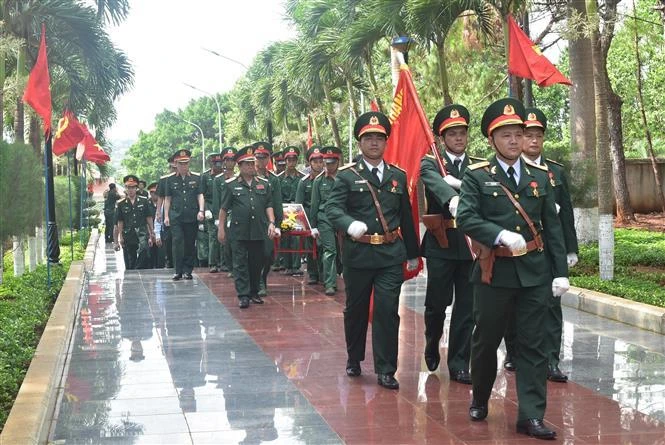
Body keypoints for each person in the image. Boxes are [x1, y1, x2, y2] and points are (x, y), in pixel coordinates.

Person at [456, 98, 569, 440]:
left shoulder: (540, 177)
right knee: (485, 340)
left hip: (534, 273)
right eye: (505, 135)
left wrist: (560, 271)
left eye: (518, 134)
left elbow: (554, 226)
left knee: (533, 345)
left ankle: (531, 415)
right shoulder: (477, 176)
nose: (514, 140)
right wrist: (499, 234)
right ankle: (479, 396)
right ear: (492, 140)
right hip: (495, 274)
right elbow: (466, 217)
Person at [326, 111, 420, 390]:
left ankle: (386, 369)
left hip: (391, 254)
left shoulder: (397, 176)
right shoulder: (345, 177)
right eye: (369, 138)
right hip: (358, 254)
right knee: (355, 310)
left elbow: (406, 215)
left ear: (386, 142)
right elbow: (332, 209)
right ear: (360, 142)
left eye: (380, 138)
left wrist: (413, 254)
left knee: (387, 310)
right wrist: (349, 223)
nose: (375, 143)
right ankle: (354, 357)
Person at [420, 104, 481, 384]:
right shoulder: (431, 162)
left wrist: (462, 186)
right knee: (436, 304)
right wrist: (451, 196)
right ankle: (432, 341)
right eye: (452, 134)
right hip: (441, 243)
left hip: (469, 243)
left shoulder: (478, 166)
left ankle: (459, 362)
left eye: (462, 133)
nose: (458, 138)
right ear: (442, 138)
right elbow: (432, 182)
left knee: (466, 307)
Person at [522, 107, 579, 382]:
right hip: (521, 249)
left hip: (550, 248)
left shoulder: (555, 171)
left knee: (552, 307)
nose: (533, 141)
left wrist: (570, 249)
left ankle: (551, 361)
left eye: (538, 136)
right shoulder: (507, 171)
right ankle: (516, 354)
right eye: (528, 135)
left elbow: (566, 212)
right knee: (518, 305)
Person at [218, 146, 278, 309]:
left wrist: (272, 222)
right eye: (247, 164)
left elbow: (269, 205)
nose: (252, 166)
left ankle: (254, 292)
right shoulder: (231, 185)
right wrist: (221, 229)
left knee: (257, 262)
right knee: (240, 263)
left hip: (259, 229)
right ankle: (243, 295)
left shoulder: (264, 184)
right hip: (239, 231)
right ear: (240, 166)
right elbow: (223, 209)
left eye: (253, 163)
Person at [163, 149, 205, 281]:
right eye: (181, 164)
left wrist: (201, 210)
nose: (183, 166)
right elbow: (167, 198)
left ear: (189, 163)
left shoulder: (197, 177)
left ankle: (188, 270)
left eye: (186, 163)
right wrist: (166, 216)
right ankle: (178, 270)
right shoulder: (169, 180)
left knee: (190, 243)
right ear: (176, 164)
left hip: (191, 215)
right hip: (176, 215)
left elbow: (200, 195)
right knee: (177, 242)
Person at [310, 146, 343, 295]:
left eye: (331, 163)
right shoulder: (318, 181)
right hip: (325, 219)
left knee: (346, 251)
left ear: (338, 162)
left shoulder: (345, 179)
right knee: (330, 250)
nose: (328, 166)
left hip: (343, 219)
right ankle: (330, 283)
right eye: (326, 163)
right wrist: (313, 226)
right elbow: (315, 205)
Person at [253, 142, 283, 298]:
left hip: (267, 223)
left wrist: (278, 224)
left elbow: (277, 203)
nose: (261, 161)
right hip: (250, 222)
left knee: (267, 254)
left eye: (264, 157)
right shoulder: (247, 176)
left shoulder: (273, 179)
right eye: (258, 157)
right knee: (252, 254)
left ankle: (262, 278)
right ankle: (256, 282)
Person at [296, 146, 325, 285]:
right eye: (315, 161)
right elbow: (299, 204)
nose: (318, 164)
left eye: (321, 161)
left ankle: (325, 274)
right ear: (310, 163)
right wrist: (303, 222)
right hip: (308, 217)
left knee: (324, 246)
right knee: (311, 247)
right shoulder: (304, 182)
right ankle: (313, 274)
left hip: (323, 217)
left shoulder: (328, 179)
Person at [115, 175, 155, 270]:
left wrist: (152, 232)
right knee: (130, 259)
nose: (130, 190)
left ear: (136, 188)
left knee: (144, 251)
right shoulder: (121, 203)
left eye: (133, 187)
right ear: (126, 188)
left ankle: (138, 269)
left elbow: (148, 218)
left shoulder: (144, 201)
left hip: (142, 233)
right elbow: (120, 221)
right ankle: (131, 273)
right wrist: (120, 236)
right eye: (128, 187)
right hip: (128, 233)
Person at [278, 146, 304, 275]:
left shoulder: (302, 177)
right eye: (289, 160)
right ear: (285, 161)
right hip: (285, 210)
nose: (291, 162)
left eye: (294, 160)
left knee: (297, 239)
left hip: (298, 211)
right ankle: (287, 265)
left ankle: (296, 266)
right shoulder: (280, 178)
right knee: (286, 238)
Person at [213, 147, 238, 275]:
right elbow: (217, 200)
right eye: (227, 160)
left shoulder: (239, 177)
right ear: (223, 161)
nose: (230, 162)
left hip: (236, 214)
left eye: (232, 159)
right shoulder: (218, 180)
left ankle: (237, 267)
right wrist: (218, 220)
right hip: (224, 214)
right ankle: (230, 267)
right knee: (226, 245)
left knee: (237, 244)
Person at [202, 153, 225, 272]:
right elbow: (202, 195)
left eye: (220, 163)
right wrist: (205, 209)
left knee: (224, 235)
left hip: (223, 207)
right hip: (210, 207)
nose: (218, 166)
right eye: (216, 163)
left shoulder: (224, 176)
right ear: (211, 164)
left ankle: (224, 263)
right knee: (213, 236)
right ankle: (213, 263)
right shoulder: (205, 177)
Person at [156, 155, 177, 268]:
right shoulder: (164, 179)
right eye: (172, 165)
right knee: (168, 238)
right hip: (168, 212)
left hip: (181, 211)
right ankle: (169, 260)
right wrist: (158, 212)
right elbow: (160, 197)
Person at [148, 182, 166, 268]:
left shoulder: (164, 204)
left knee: (161, 257)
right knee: (150, 257)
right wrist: (150, 234)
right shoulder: (146, 204)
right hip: (149, 233)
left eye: (156, 193)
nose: (154, 194)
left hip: (161, 233)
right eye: (152, 192)